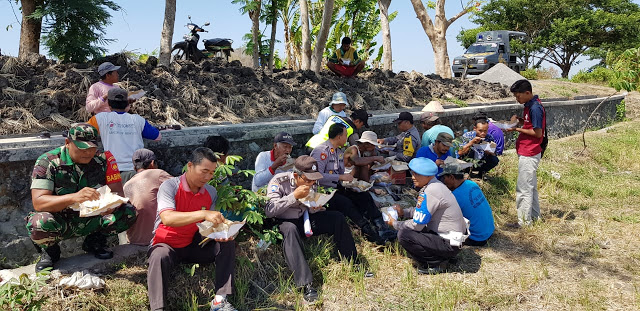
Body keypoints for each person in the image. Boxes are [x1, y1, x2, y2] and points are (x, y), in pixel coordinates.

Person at [25, 123, 137, 272]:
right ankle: (51, 252)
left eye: (92, 148)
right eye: (82, 148)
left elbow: (118, 193)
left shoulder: (104, 160)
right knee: (38, 223)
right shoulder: (48, 161)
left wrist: (111, 206)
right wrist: (74, 197)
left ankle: (95, 242)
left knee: (129, 212)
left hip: (94, 218)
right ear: (67, 143)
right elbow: (39, 202)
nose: (88, 152)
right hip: (61, 220)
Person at [147, 147, 237, 311]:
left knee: (227, 243)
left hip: (193, 243)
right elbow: (168, 218)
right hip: (166, 244)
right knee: (159, 256)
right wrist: (203, 213)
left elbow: (207, 225)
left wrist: (221, 233)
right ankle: (157, 308)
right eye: (204, 171)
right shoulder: (170, 186)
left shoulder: (211, 191)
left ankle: (219, 301)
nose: (208, 177)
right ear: (190, 166)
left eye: (212, 172)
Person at [265, 156, 360, 302]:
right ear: (296, 175)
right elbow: (270, 210)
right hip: (283, 221)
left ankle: (353, 261)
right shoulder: (279, 181)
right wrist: (293, 196)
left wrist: (317, 207)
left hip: (305, 219)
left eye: (314, 180)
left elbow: (309, 204)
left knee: (337, 217)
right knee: (290, 229)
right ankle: (305, 284)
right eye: (308, 180)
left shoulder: (312, 182)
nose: (311, 184)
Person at [310, 124, 389, 244]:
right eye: (346, 135)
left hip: (337, 188)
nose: (347, 138)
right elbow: (316, 177)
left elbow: (341, 176)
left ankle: (381, 227)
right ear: (339, 136)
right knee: (346, 203)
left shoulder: (339, 152)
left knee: (363, 196)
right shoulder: (321, 151)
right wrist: (340, 177)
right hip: (322, 193)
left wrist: (351, 184)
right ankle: (369, 233)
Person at [387, 158, 467, 274]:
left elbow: (417, 225)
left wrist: (395, 223)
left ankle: (436, 262)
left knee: (404, 234)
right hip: (455, 240)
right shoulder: (436, 185)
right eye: (413, 173)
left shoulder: (431, 191)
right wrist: (404, 212)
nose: (413, 177)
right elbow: (423, 211)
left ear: (428, 175)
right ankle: (444, 255)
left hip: (450, 243)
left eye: (417, 174)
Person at [87, 88, 161, 184]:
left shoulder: (100, 118)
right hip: (138, 171)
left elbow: (83, 131)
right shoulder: (137, 120)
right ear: (127, 104)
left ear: (109, 105)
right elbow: (157, 136)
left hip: (114, 172)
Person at [508, 79, 547, 227]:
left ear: (527, 93)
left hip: (529, 152)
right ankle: (535, 217)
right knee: (530, 187)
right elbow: (530, 124)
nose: (517, 99)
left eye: (518, 96)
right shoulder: (529, 105)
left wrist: (516, 129)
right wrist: (519, 120)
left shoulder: (535, 108)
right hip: (527, 150)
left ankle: (524, 222)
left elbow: (537, 133)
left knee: (523, 189)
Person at [123, 149, 173, 246]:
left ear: (134, 167)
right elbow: (182, 188)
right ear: (152, 163)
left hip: (133, 239)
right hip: (157, 239)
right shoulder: (158, 174)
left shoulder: (126, 185)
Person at [439, 163, 494, 246]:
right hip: (489, 231)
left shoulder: (454, 196)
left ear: (451, 177)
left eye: (444, 178)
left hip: (476, 238)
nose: (444, 181)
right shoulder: (472, 184)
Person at [306, 108, 371, 150]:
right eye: (361, 125)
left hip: (312, 143)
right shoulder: (351, 130)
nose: (360, 127)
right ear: (357, 121)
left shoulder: (334, 117)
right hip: (323, 150)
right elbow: (355, 148)